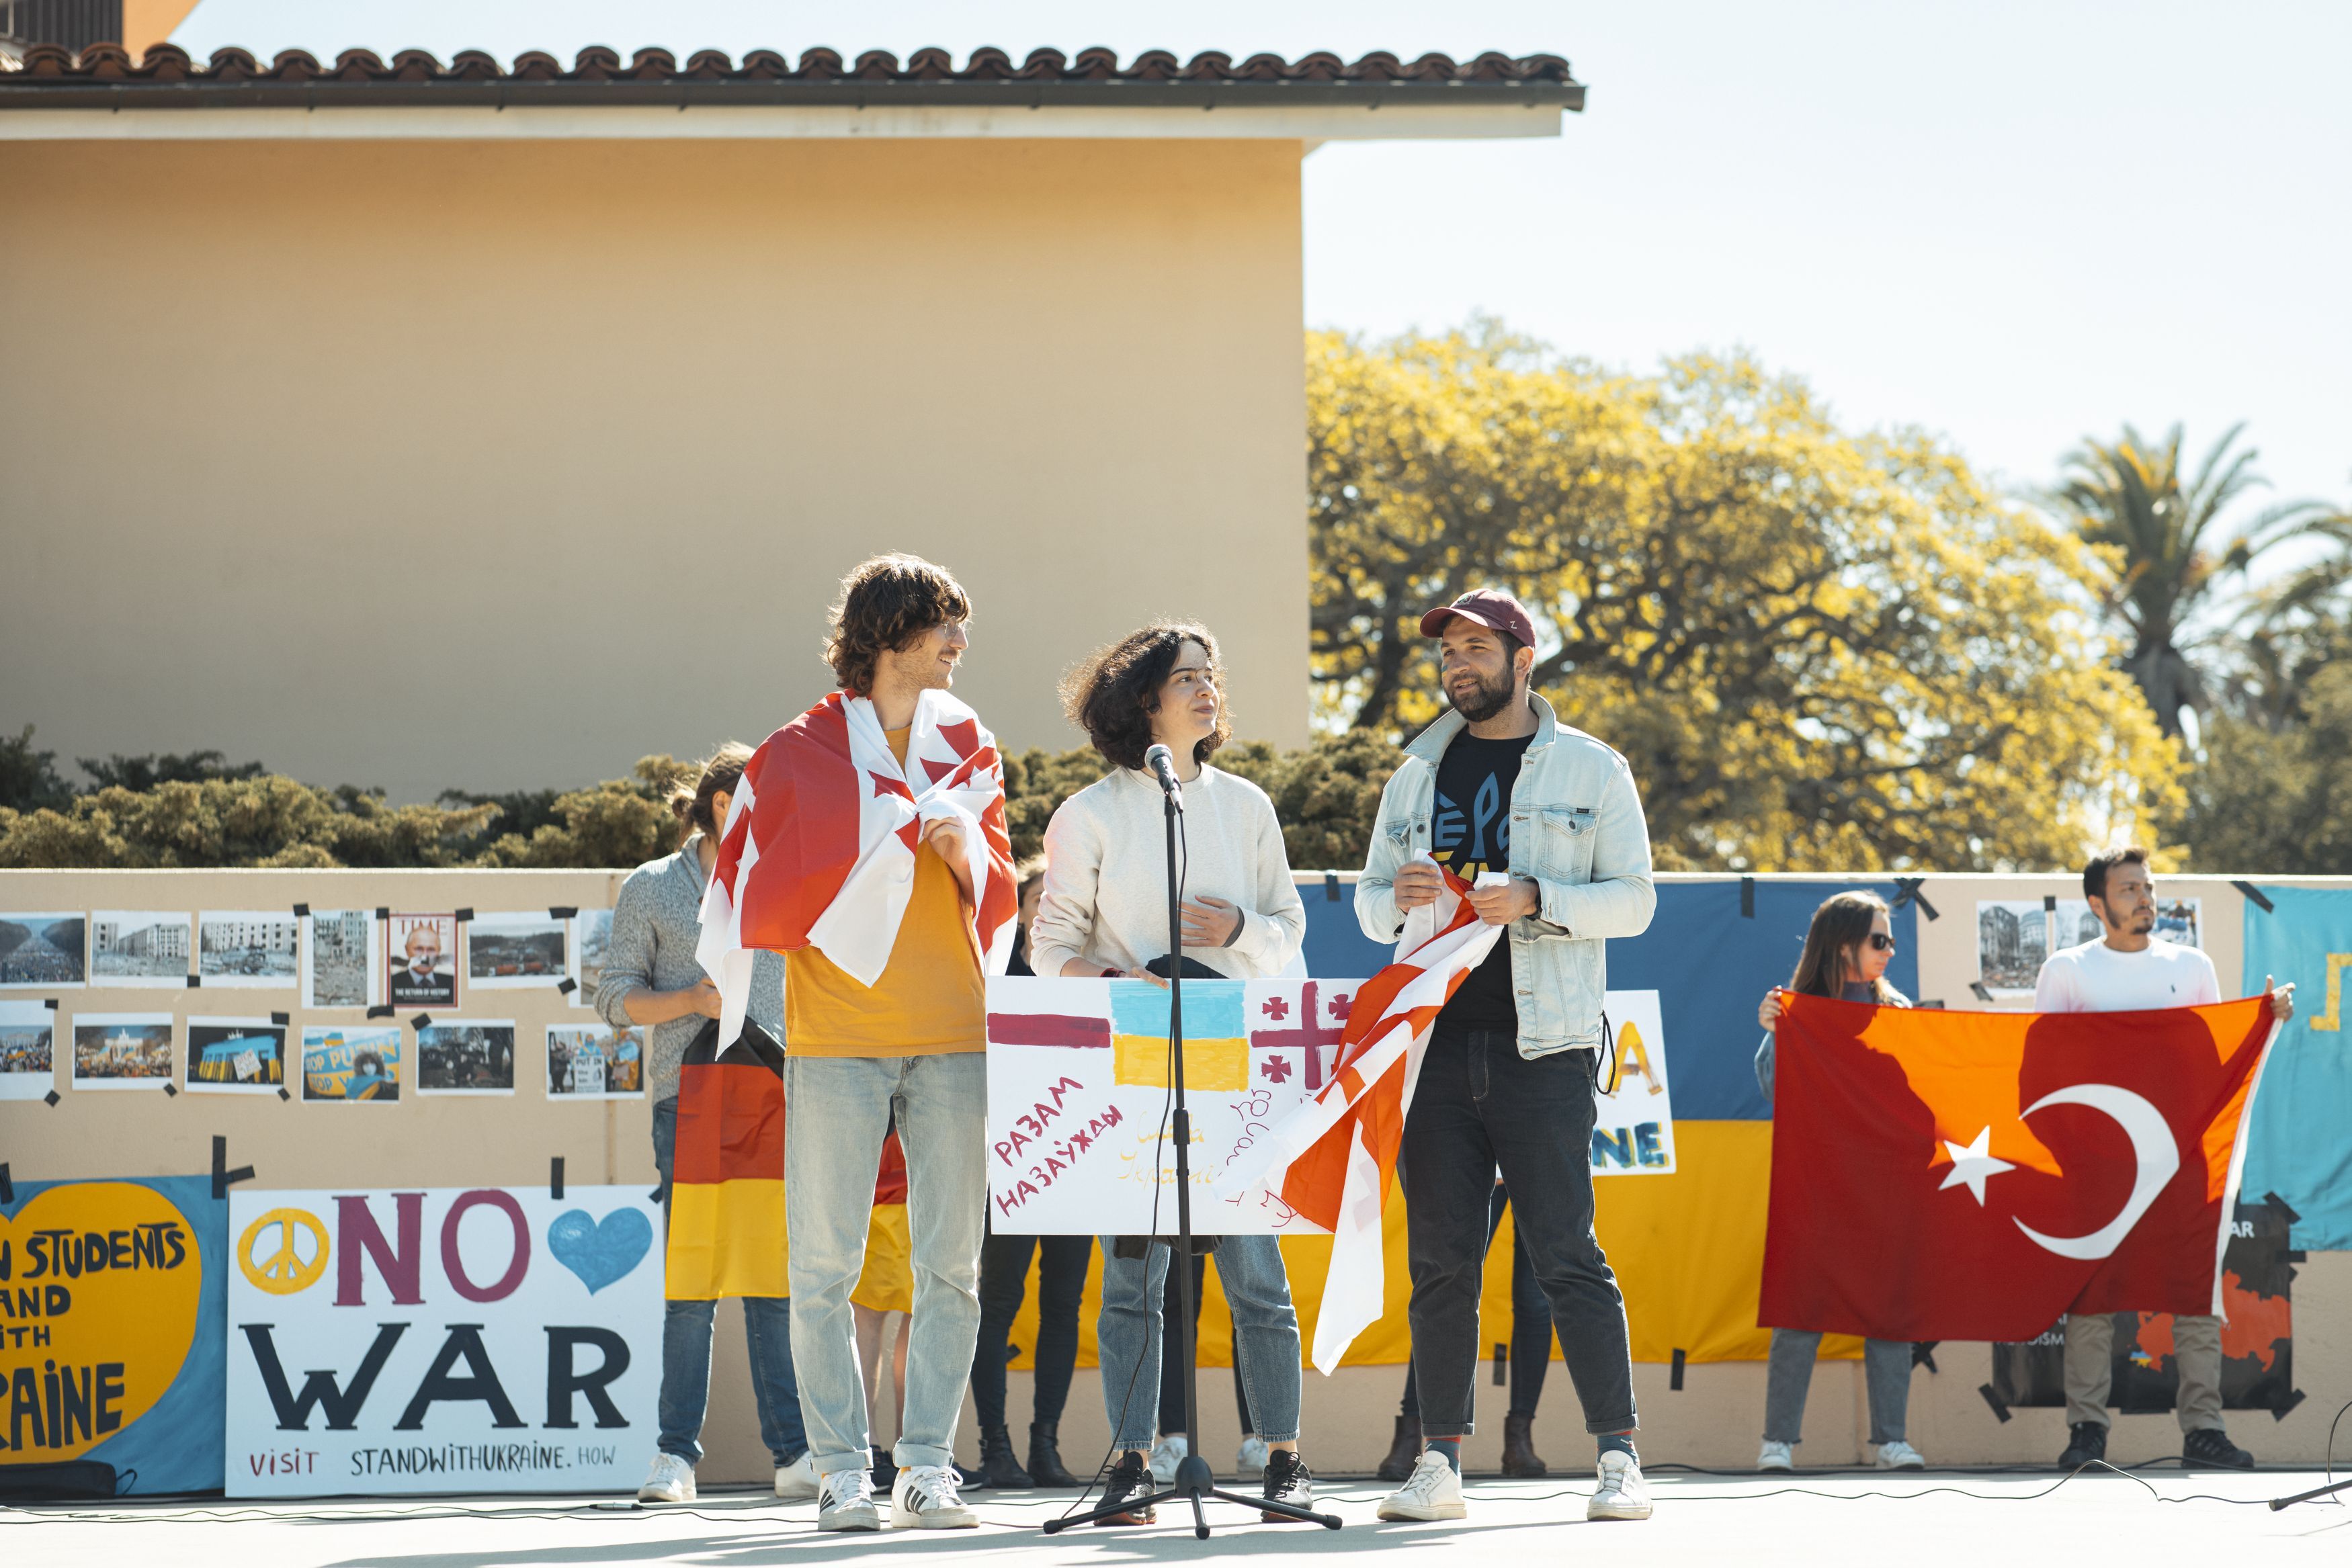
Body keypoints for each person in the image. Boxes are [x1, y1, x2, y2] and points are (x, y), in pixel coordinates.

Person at [698, 554, 1017, 1532]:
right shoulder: (795, 750)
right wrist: (875, 833)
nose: (961, 643)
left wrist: (967, 847)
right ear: (888, 633)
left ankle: (925, 1464)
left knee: (953, 1266)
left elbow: (1001, 871)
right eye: (943, 626)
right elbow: (757, 885)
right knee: (822, 1268)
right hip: (837, 1037)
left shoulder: (971, 739)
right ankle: (842, 1469)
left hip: (957, 1033)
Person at [1357, 589, 1656, 1525]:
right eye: (1447, 648)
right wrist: (1397, 896)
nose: (1457, 663)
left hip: (1545, 1044)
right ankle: (1438, 1462)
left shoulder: (1591, 766)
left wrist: (1540, 894)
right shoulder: (1412, 774)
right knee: (1442, 1260)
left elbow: (1637, 901)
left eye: (1476, 646)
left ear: (1524, 660)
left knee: (1567, 1251)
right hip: (1433, 1045)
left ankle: (1619, 1457)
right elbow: (1370, 908)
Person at [1028, 621, 1315, 1524]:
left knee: (1257, 1270)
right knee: (1133, 1280)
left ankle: (1282, 1458)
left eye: (1212, 675)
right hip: (1133, 1060)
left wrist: (1240, 934)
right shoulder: (1088, 814)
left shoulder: (1247, 808)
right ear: (1141, 696)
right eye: (1185, 675)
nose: (1207, 689)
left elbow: (1291, 941)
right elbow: (1048, 947)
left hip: (1234, 1055)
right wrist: (1119, 980)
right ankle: (1131, 1463)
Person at [2035, 847, 2294, 1473]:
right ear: (2097, 904)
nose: (2145, 898)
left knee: (2196, 1295)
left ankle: (2203, 1431)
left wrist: (2264, 1022)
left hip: (2182, 1161)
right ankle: (2087, 1434)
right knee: (2092, 1299)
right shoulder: (2067, 970)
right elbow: (2043, 1070)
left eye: (2148, 888)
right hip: (2100, 1166)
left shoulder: (2192, 964)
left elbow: (2213, 1062)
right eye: (2129, 890)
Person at [601, 746, 808, 1505]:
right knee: (690, 1281)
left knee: (774, 1279)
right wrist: (690, 999)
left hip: (778, 1098)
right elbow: (613, 999)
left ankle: (794, 1455)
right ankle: (672, 1458)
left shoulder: (787, 882)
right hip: (682, 1103)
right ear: (723, 806)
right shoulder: (653, 887)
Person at [1753, 890, 1925, 1471]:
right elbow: (1775, 1091)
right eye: (1879, 940)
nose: (1889, 950)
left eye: (1891, 939)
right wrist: (1778, 1031)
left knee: (1889, 1314)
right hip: (1818, 1187)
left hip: (1883, 1189)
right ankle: (1776, 1443)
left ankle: (1892, 1441)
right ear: (1843, 943)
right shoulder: (1797, 1010)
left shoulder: (1897, 1010)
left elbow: (1921, 1103)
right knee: (1800, 1312)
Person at [968, 861, 1091, 1490]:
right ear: (1016, 909)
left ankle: (1046, 1444)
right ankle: (996, 1447)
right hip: (1009, 1158)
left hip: (1078, 1159)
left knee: (1063, 1307)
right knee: (996, 1304)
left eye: (1059, 900)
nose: (1048, 909)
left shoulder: (1092, 972)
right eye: (1039, 898)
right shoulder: (993, 972)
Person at [1378, 1180, 1556, 1481]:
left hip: (1541, 1151)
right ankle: (1411, 1434)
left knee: (1536, 1299)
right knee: (1448, 1291)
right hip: (1481, 1151)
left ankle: (1520, 1439)